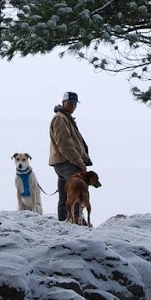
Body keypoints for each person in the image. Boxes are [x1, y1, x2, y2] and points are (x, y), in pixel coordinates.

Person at [48, 91, 92, 222]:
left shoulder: (65, 118)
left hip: (63, 162)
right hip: (67, 162)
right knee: (78, 191)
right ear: (63, 103)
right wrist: (79, 162)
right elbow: (65, 144)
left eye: (74, 104)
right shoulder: (61, 119)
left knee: (65, 195)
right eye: (70, 103)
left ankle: (64, 222)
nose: (72, 106)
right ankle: (77, 222)